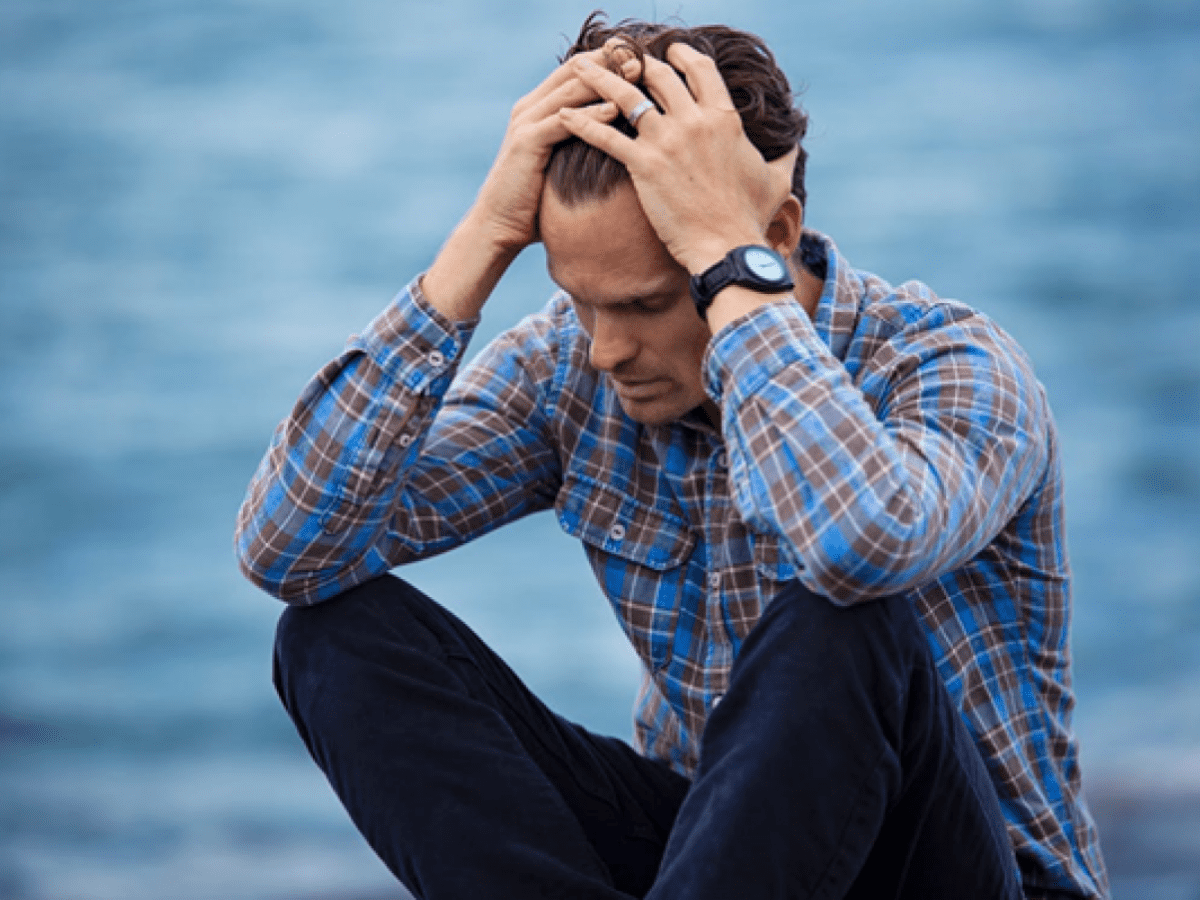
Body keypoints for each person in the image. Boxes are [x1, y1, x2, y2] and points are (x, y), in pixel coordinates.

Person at [235, 13, 1109, 900]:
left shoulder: (949, 367)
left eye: (648, 304)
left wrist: (731, 272)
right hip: (718, 855)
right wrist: (482, 239)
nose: (607, 349)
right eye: (581, 302)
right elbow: (290, 550)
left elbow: (857, 544)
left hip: (961, 874)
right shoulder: (570, 371)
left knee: (843, 615)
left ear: (770, 237)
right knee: (333, 637)